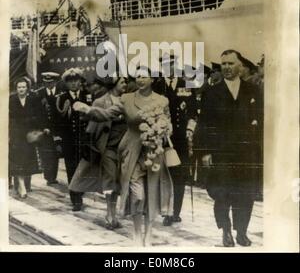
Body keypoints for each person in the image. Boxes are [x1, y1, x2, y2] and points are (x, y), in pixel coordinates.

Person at [75, 67, 173, 246]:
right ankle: (136, 233)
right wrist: (88, 110)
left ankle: (147, 236)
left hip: (153, 152)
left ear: (152, 79)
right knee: (138, 195)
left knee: (151, 194)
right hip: (131, 151)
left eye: (144, 76)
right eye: (138, 77)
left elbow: (169, 124)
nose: (140, 80)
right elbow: (106, 114)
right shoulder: (127, 99)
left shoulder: (162, 100)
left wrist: (162, 129)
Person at [197, 50, 263, 247]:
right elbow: (204, 124)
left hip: (246, 151)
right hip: (221, 151)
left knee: (245, 192)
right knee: (222, 191)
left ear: (240, 65)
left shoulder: (252, 90)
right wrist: (205, 152)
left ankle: (241, 231)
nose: (226, 67)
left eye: (230, 63)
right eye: (223, 63)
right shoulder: (211, 92)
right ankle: (225, 230)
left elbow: (260, 119)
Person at [69, 77, 128, 230]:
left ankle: (114, 212)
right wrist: (91, 148)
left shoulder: (127, 100)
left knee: (118, 182)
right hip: (107, 147)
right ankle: (110, 214)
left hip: (124, 148)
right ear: (114, 84)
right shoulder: (100, 102)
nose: (125, 85)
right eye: (122, 82)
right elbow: (92, 128)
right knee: (110, 180)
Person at [153, 53, 197, 226]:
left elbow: (193, 111)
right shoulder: (157, 86)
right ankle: (166, 211)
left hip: (180, 138)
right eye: (164, 65)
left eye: (171, 64)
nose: (168, 68)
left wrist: (190, 130)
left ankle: (175, 211)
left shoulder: (186, 83)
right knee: (165, 175)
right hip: (163, 138)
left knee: (179, 175)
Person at [56, 68, 90, 211]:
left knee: (83, 169)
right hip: (69, 140)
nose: (74, 84)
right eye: (70, 81)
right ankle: (75, 198)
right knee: (71, 169)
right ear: (66, 83)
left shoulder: (87, 97)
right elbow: (57, 122)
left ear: (80, 81)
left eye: (76, 80)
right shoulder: (61, 98)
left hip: (84, 140)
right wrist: (57, 140)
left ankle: (80, 191)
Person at [9, 77, 47, 198]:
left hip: (29, 135)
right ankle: (22, 186)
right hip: (16, 135)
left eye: (24, 87)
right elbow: (10, 117)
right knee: (17, 160)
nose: (21, 89)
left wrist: (42, 128)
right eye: (19, 87)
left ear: (27, 88)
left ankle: (24, 185)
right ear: (16, 88)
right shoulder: (12, 99)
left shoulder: (33, 99)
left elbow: (40, 114)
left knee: (27, 160)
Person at [37, 72, 61, 186]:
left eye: (51, 82)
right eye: (46, 83)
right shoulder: (39, 94)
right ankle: (48, 176)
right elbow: (38, 113)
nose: (49, 85)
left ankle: (53, 176)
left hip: (58, 128)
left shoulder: (61, 92)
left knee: (55, 152)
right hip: (45, 129)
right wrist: (43, 127)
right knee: (46, 152)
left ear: (55, 82)